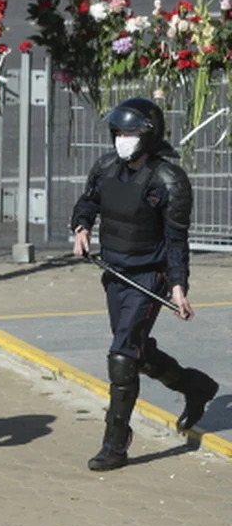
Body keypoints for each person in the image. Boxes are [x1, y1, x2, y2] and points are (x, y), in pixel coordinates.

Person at [71, 97, 219, 471]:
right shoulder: (106, 167)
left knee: (121, 357)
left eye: (131, 132)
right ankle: (195, 387)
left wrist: (178, 286)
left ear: (149, 137)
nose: (123, 138)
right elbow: (86, 203)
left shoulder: (169, 180)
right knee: (136, 352)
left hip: (148, 278)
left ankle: (115, 443)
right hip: (114, 273)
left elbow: (176, 240)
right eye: (119, 131)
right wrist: (81, 228)